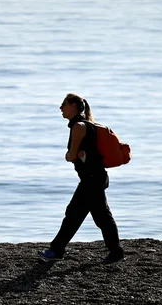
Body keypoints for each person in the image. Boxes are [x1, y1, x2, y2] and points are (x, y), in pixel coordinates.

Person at [39, 93, 125, 263]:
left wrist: (69, 155)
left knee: (83, 215)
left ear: (73, 106)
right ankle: (115, 251)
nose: (60, 108)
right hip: (94, 178)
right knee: (91, 215)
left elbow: (71, 156)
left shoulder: (79, 126)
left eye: (63, 104)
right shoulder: (84, 125)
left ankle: (57, 250)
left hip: (92, 179)